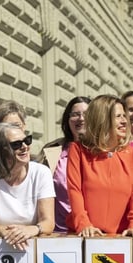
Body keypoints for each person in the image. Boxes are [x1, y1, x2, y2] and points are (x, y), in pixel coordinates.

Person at [66, 94, 133, 238]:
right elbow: (74, 190)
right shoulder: (78, 150)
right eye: (118, 116)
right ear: (102, 119)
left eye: (124, 116)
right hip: (85, 235)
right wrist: (83, 224)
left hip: (121, 236)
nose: (124, 121)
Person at [0, 123, 55, 250]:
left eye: (27, 140)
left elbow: (48, 222)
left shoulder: (41, 172)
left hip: (32, 246)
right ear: (0, 150)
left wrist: (31, 230)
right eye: (16, 144)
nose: (25, 147)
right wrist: (2, 230)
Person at [37, 96, 91, 232]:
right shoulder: (52, 150)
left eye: (86, 114)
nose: (81, 118)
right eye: (75, 114)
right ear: (68, 119)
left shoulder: (103, 152)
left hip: (92, 231)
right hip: (59, 232)